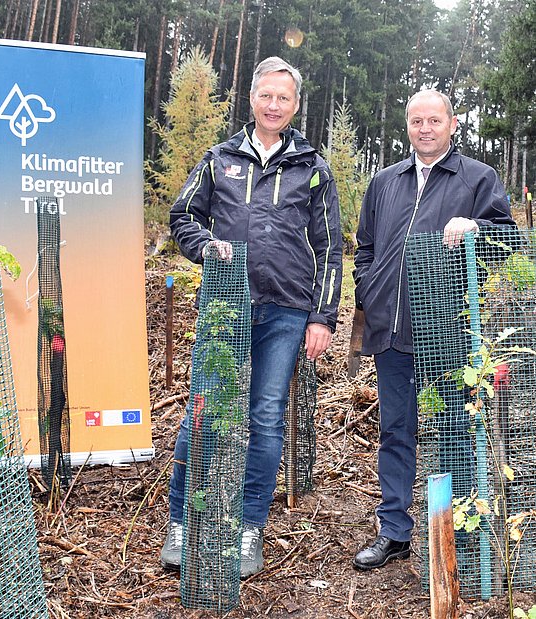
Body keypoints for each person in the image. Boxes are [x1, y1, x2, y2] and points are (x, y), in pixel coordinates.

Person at [162, 56, 342, 578]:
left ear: (295, 105)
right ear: (252, 98)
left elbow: (330, 246)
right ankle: (180, 525)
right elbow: (182, 215)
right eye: (266, 95)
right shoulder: (219, 159)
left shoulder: (312, 168)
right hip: (225, 304)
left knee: (264, 420)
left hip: (287, 311)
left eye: (284, 98)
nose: (274, 105)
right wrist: (205, 246)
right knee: (203, 412)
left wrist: (322, 317)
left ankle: (248, 531)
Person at [352, 89, 515, 570]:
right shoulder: (385, 181)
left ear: (453, 124)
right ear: (407, 126)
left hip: (449, 328)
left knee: (453, 431)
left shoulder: (477, 178)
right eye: (416, 121)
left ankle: (455, 530)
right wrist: (371, 287)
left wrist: (475, 230)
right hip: (392, 331)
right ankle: (395, 533)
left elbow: (506, 239)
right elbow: (364, 247)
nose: (425, 129)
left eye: (434, 120)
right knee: (396, 430)